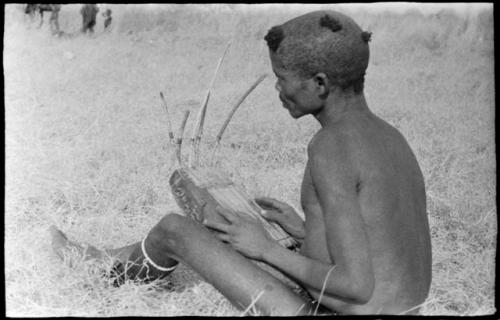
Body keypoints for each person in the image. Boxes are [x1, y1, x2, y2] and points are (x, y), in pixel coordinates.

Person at [49, 10, 432, 315]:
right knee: (226, 226)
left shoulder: (330, 146)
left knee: (173, 230)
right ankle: (107, 258)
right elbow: (378, 240)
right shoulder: (389, 136)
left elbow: (355, 287)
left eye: (282, 78)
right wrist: (302, 233)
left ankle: (107, 274)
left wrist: (266, 249)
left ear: (319, 83)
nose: (278, 88)